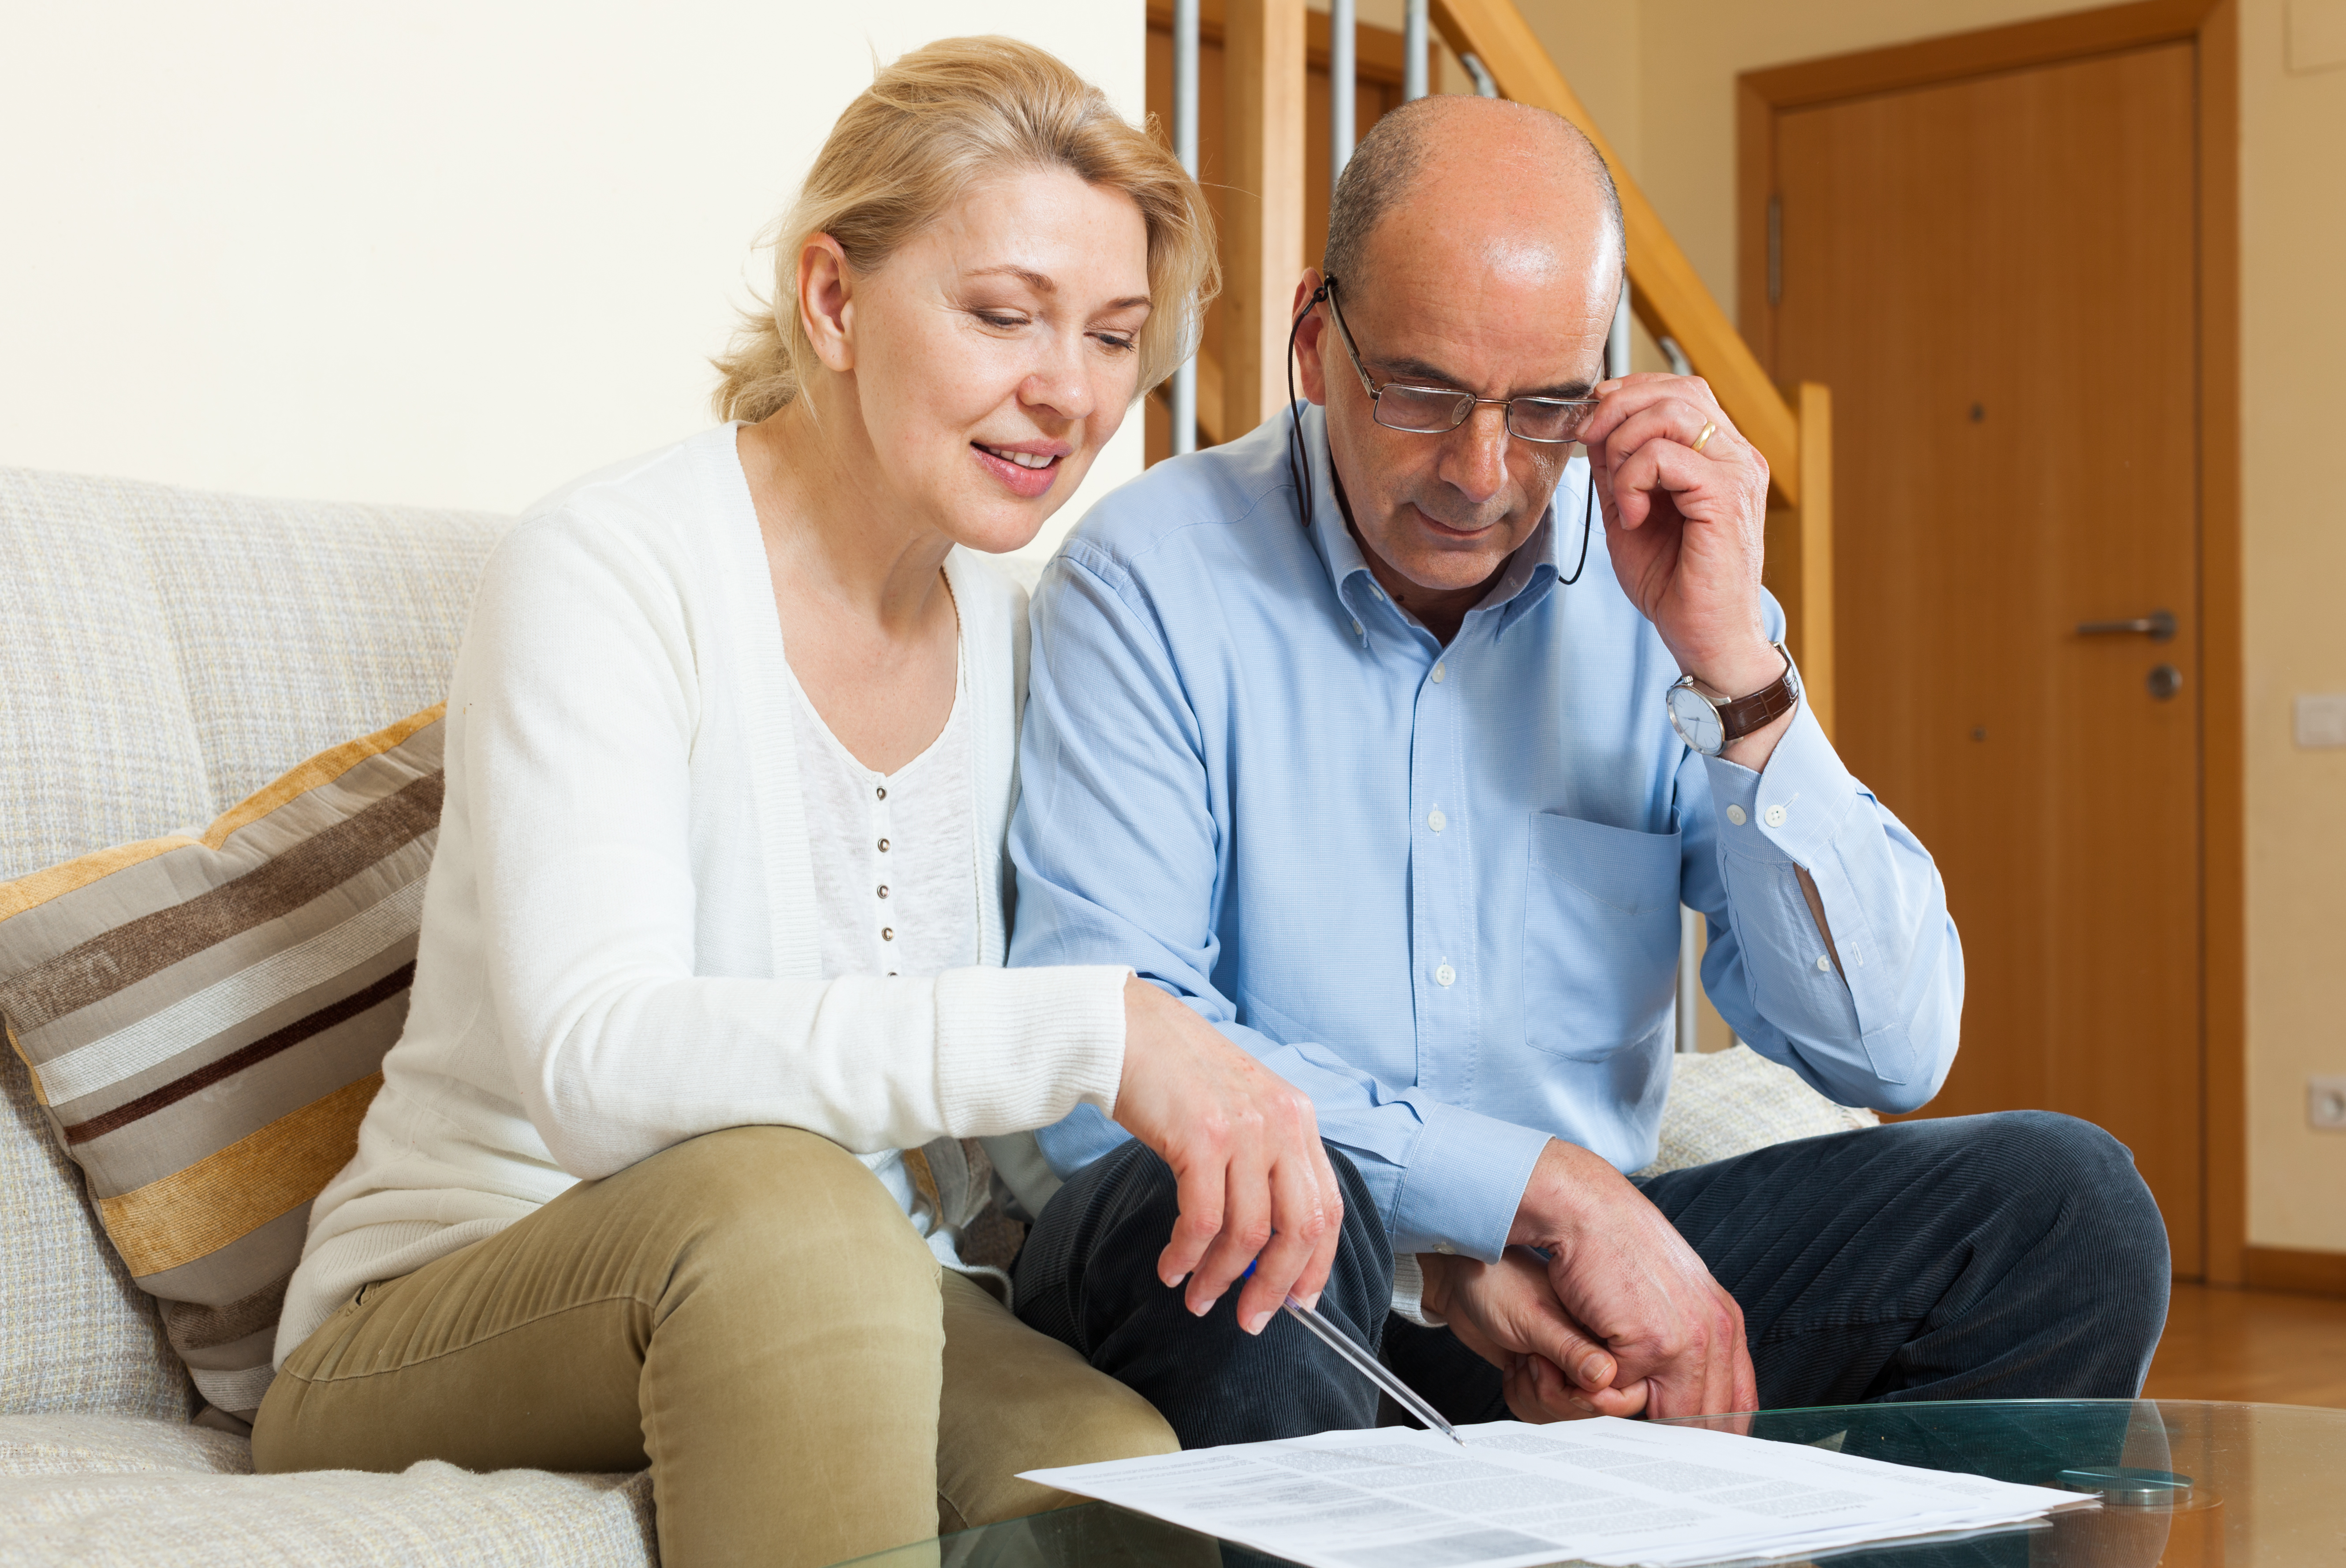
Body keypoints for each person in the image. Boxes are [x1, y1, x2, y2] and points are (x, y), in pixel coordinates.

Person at [252, 38, 1344, 1568]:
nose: (1067, 395)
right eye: (1000, 316)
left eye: (1110, 336)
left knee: (1117, 1476)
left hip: (872, 1284)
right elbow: (597, 1058)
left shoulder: (1017, 626)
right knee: (792, 1210)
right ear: (834, 300)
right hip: (452, 1293)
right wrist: (1095, 1027)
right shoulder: (608, 571)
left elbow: (996, 1131)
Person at [1004, 94, 2171, 1447]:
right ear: (1315, 342)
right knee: (1238, 1194)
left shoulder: (1659, 596)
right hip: (1296, 1284)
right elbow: (1113, 1063)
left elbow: (1888, 1051)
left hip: (1573, 1301)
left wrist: (1737, 670)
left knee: (2066, 1208)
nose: (1483, 472)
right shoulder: (1147, 577)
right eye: (1423, 393)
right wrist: (1519, 1201)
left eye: (1547, 405)